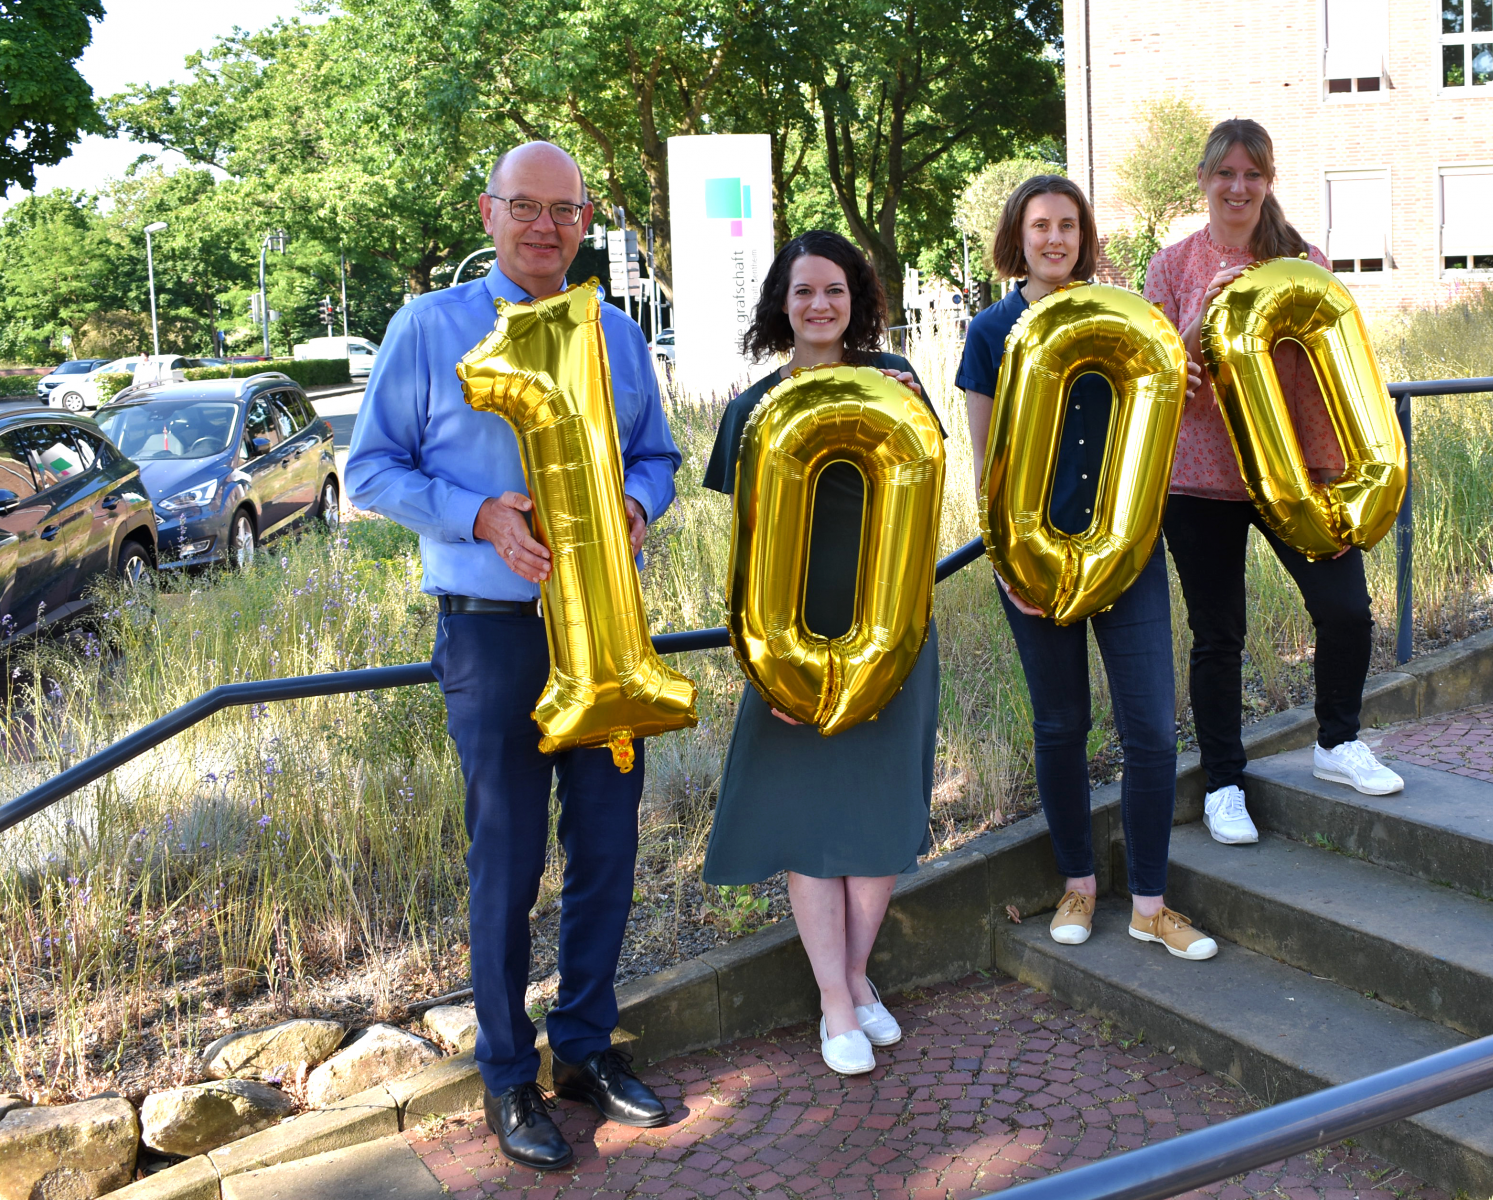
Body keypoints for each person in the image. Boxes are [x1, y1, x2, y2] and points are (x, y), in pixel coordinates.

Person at [346, 141, 679, 1171]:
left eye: (565, 212)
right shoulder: (429, 327)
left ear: (587, 225)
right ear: (488, 212)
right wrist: (477, 514)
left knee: (609, 848)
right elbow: (369, 469)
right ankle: (506, 1075)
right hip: (490, 636)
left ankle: (583, 1049)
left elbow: (661, 456)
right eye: (525, 208)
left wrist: (636, 501)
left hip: (608, 626)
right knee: (509, 859)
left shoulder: (617, 336)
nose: (545, 227)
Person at [956, 176, 1216, 962]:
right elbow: (984, 463)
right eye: (1041, 226)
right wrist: (1008, 563)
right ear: (1018, 236)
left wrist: (1184, 359)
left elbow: (1163, 400)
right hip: (1035, 561)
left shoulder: (1122, 322)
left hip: (1128, 552)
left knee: (1151, 731)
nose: (1055, 239)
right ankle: (1077, 885)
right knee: (1062, 727)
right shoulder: (991, 331)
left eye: (1068, 225)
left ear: (1085, 236)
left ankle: (1150, 905)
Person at [700, 230, 939, 1077]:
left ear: (857, 299)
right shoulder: (754, 407)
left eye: (833, 290)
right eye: (803, 292)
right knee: (809, 822)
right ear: (781, 305)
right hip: (792, 633)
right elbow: (747, 542)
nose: (819, 306)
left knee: (878, 821)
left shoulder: (901, 391)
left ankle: (854, 980)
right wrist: (768, 659)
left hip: (889, 631)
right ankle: (840, 1004)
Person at [1145, 118, 1405, 851]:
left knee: (1347, 611)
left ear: (1268, 181)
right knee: (1218, 638)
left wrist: (1336, 465)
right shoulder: (1169, 266)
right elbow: (1161, 377)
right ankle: (1225, 783)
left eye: (1251, 174)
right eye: (1224, 173)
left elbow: (1333, 369)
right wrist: (1205, 315)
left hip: (1294, 474)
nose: (1237, 187)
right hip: (1200, 480)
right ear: (1203, 179)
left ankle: (1337, 742)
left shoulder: (1304, 258)